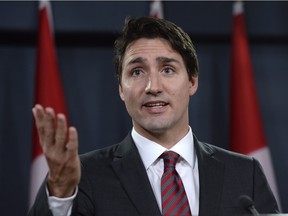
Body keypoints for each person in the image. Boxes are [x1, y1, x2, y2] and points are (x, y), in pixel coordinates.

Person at [28, 16, 279, 216]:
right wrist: (60, 192)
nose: (152, 87)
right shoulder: (83, 176)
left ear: (192, 81)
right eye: (137, 72)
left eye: (167, 69)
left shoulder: (246, 173)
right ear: (121, 89)